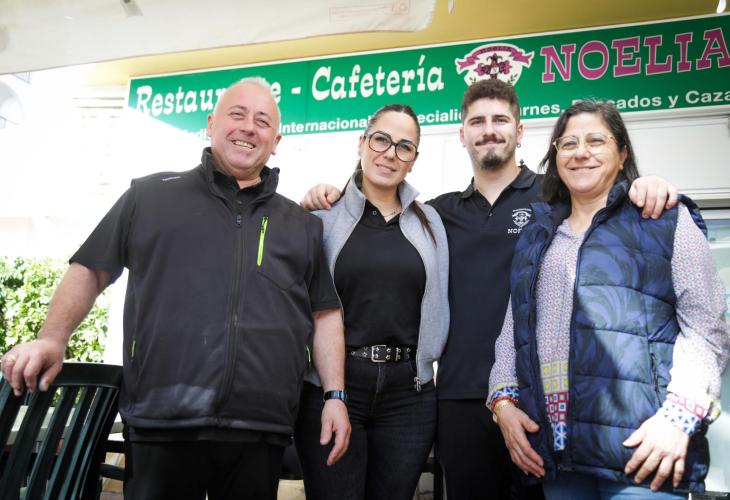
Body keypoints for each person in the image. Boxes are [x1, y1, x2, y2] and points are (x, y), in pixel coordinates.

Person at [300, 79, 680, 499]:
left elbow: (606, 199)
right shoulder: (436, 216)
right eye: (477, 122)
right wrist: (325, 196)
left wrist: (646, 183)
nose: (489, 130)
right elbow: (378, 226)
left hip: (540, 397)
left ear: (520, 130)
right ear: (462, 134)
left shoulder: (556, 198)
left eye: (500, 120)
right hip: (458, 398)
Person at [0, 77, 351, 500]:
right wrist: (52, 339)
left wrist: (335, 395)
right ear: (211, 124)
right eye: (237, 114)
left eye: (262, 122)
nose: (248, 127)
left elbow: (323, 313)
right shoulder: (149, 197)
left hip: (261, 430)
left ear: (276, 142)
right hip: (160, 422)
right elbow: (91, 269)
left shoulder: (302, 225)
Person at [488, 99, 729, 499]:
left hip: (645, 450)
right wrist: (504, 405)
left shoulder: (665, 220)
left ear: (622, 154)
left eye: (596, 141)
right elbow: (513, 330)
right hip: (556, 453)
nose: (581, 152)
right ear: (555, 157)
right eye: (568, 144)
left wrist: (679, 418)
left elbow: (707, 327)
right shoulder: (538, 236)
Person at [294, 103, 449, 500]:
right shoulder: (321, 217)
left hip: (409, 394)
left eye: (404, 147)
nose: (390, 154)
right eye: (381, 140)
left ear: (413, 160)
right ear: (361, 142)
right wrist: (305, 201)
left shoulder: (431, 223)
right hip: (334, 385)